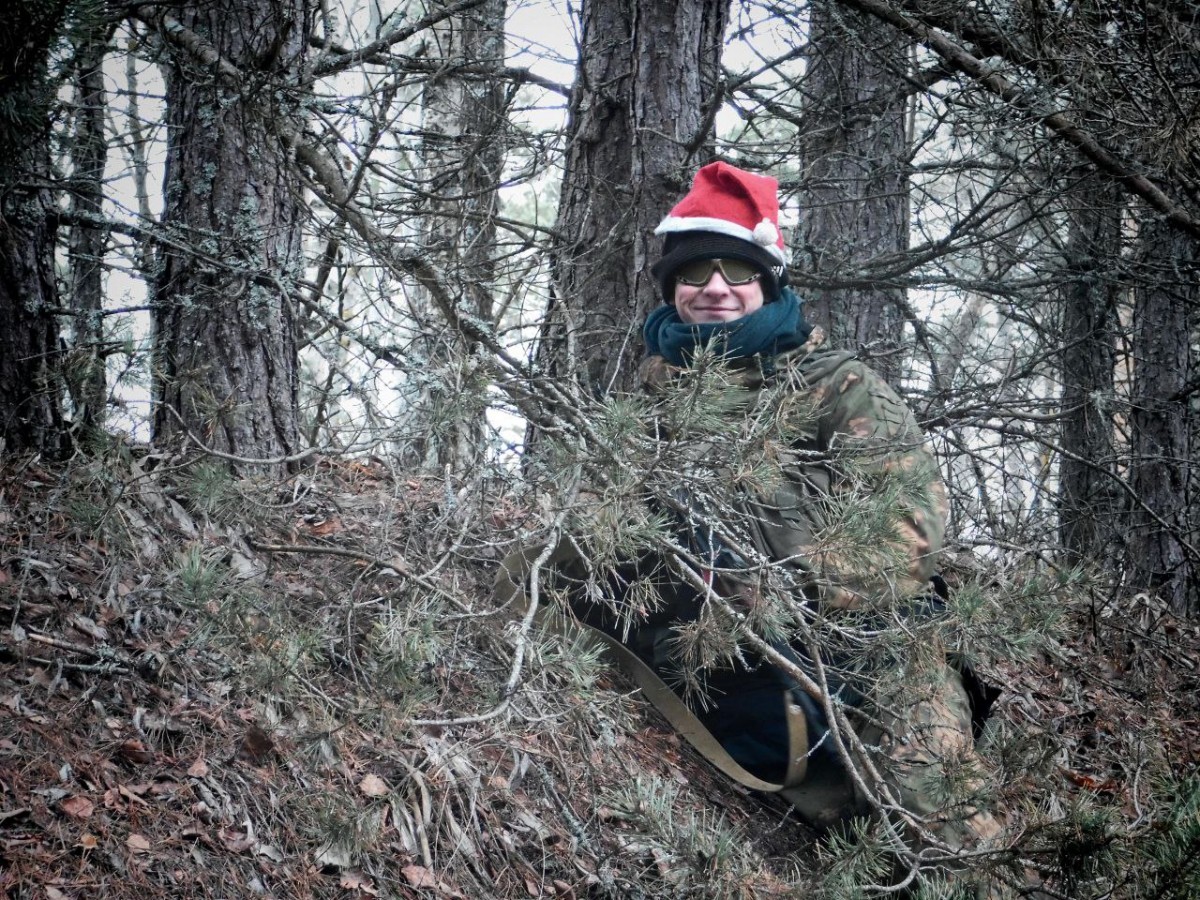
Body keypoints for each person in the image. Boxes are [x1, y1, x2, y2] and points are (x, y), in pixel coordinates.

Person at [566, 161, 1011, 896]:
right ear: (671, 288)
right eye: (694, 273)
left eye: (734, 269)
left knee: (937, 812)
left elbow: (913, 525)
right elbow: (597, 514)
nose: (713, 287)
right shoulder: (648, 393)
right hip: (723, 652)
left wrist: (793, 587)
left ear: (765, 282)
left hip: (876, 642)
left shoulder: (838, 383)